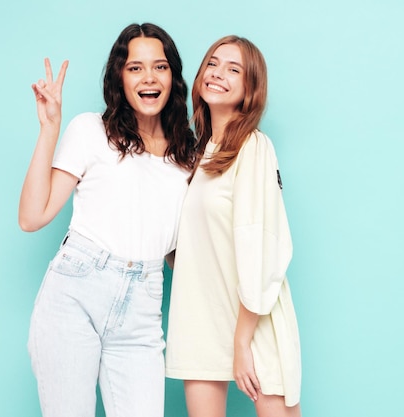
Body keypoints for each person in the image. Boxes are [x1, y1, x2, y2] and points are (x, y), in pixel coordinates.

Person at [18, 23, 196, 417]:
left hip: (143, 306)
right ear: (120, 76)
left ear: (173, 77)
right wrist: (49, 128)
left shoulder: (189, 158)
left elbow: (176, 253)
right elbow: (32, 217)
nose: (149, 77)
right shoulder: (90, 130)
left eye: (160, 67)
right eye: (135, 67)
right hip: (75, 293)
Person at [165, 36, 302, 417]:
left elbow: (262, 244)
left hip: (252, 321)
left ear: (249, 89)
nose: (218, 73)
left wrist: (242, 341)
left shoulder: (254, 148)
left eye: (233, 69)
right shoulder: (197, 157)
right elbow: (193, 250)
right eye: (213, 63)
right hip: (201, 318)